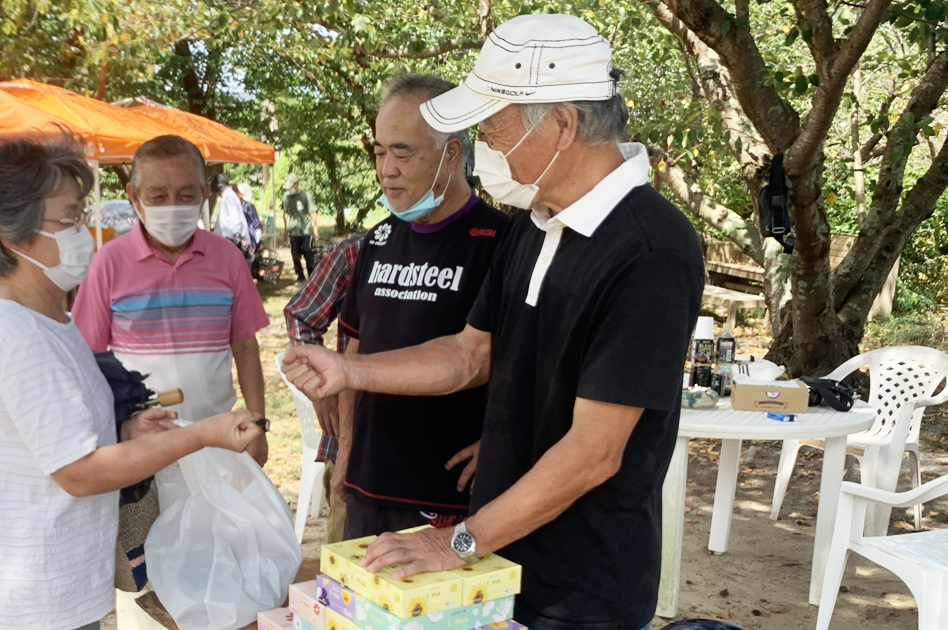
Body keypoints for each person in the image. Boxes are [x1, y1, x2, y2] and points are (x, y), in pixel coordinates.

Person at [283, 14, 704, 630]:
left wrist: (454, 542)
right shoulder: (535, 223)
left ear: (561, 124)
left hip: (580, 589)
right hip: (495, 560)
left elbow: (594, 452)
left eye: (493, 125)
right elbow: (468, 355)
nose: (483, 143)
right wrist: (347, 368)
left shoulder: (651, 249)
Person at [0, 133, 264, 630]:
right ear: (12, 235)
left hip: (65, 573)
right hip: (39, 593)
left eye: (83, 215)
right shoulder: (22, 339)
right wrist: (200, 434)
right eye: (70, 218)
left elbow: (63, 439)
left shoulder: (52, 320)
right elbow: (79, 472)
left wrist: (126, 432)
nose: (84, 231)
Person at [335, 73, 507, 538]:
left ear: (451, 153)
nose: (385, 169)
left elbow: (530, 366)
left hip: (450, 496)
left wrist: (502, 443)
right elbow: (353, 351)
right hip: (368, 487)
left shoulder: (501, 243)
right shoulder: (377, 241)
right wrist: (346, 453)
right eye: (379, 151)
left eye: (402, 152)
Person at [72, 136, 270, 466]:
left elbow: (246, 348)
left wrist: (259, 426)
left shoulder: (228, 259)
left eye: (186, 195)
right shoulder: (108, 262)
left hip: (218, 440)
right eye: (158, 196)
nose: (172, 206)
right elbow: (86, 358)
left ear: (205, 193)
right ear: (134, 197)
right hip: (141, 446)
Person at [282, 233, 364, 543]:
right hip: (353, 441)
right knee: (348, 567)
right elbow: (301, 315)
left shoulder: (488, 240)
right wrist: (322, 389)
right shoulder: (357, 252)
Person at [281, 173, 318, 283]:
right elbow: (285, 213)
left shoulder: (306, 196)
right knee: (295, 255)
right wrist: (285, 230)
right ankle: (300, 276)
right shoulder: (286, 197)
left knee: (308, 253)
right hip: (294, 230)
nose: (289, 190)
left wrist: (315, 229)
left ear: (296, 185)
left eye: (291, 187)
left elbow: (313, 213)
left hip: (306, 229)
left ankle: (311, 276)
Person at [213, 173, 253, 261]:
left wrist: (237, 233)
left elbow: (234, 215)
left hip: (231, 238)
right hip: (228, 238)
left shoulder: (229, 196)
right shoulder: (228, 195)